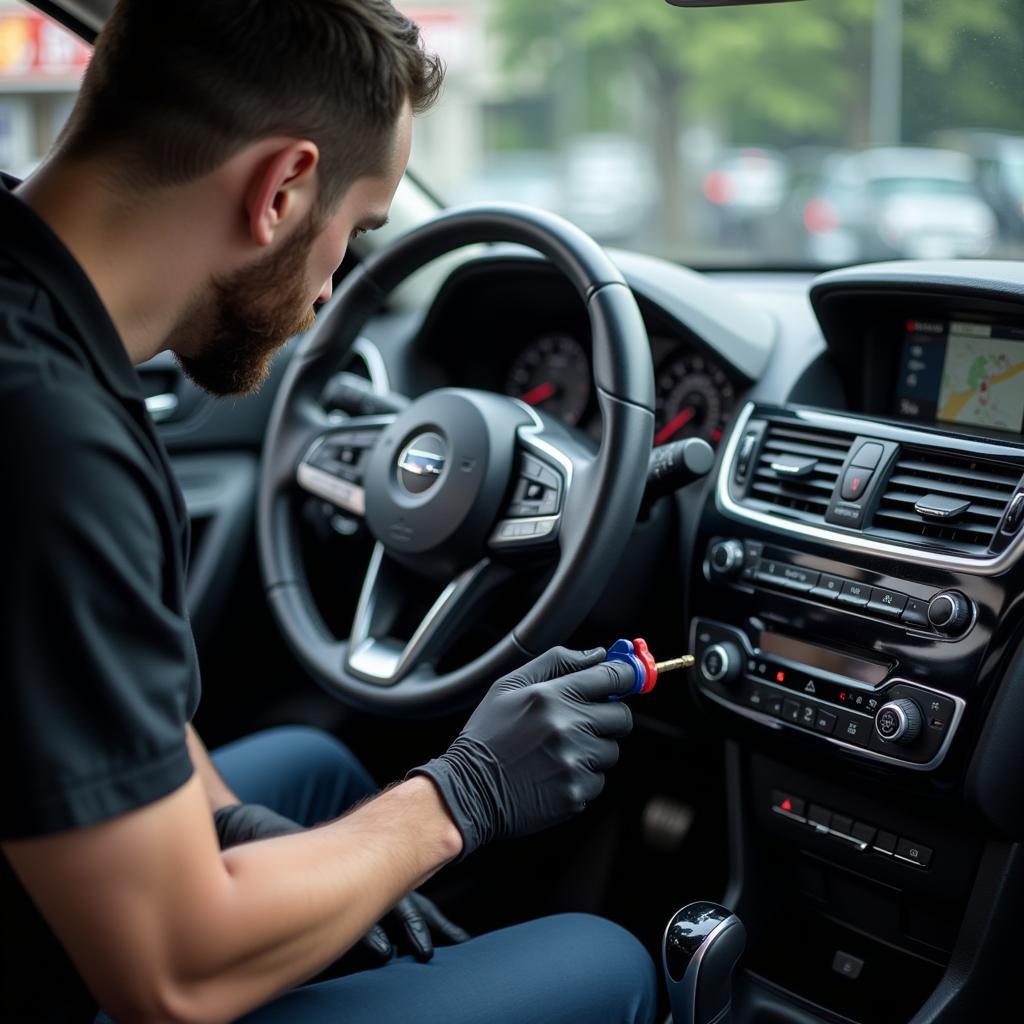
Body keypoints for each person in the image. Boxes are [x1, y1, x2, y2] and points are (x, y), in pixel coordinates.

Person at [0, 3, 658, 1022]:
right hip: (133, 967)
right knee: (604, 959)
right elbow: (174, 973)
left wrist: (228, 824)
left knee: (313, 773)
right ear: (281, 188)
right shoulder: (50, 445)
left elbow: (67, 684)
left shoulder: (33, 307)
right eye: (354, 229)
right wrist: (464, 793)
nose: (332, 282)